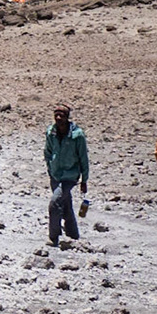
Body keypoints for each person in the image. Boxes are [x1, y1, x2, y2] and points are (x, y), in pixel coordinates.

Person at [44, 105, 89, 246]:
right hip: (55, 174)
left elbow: (83, 158)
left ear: (67, 117)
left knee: (54, 203)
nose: (58, 118)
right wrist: (50, 168)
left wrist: (84, 180)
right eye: (56, 115)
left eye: (61, 115)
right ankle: (73, 234)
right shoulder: (51, 132)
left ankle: (53, 237)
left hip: (70, 176)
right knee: (66, 204)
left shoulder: (77, 135)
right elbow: (48, 151)